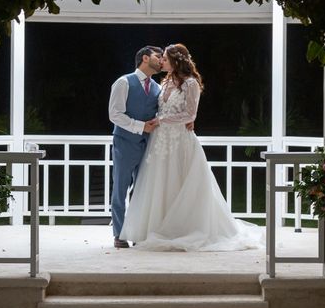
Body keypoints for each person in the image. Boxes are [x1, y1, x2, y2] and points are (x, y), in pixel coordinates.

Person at [119, 44, 264, 251]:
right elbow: (162, 105)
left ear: (176, 61)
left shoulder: (190, 83)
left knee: (181, 183)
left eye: (165, 59)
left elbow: (190, 115)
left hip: (181, 142)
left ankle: (183, 228)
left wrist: (161, 120)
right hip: (160, 142)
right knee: (159, 183)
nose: (162, 62)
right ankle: (157, 227)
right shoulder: (166, 82)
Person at [108, 45, 163, 249]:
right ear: (146, 58)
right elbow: (114, 114)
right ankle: (120, 234)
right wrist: (140, 127)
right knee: (120, 188)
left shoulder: (158, 88)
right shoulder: (124, 82)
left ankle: (138, 232)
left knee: (142, 190)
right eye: (159, 56)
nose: (162, 60)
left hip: (149, 145)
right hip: (125, 142)